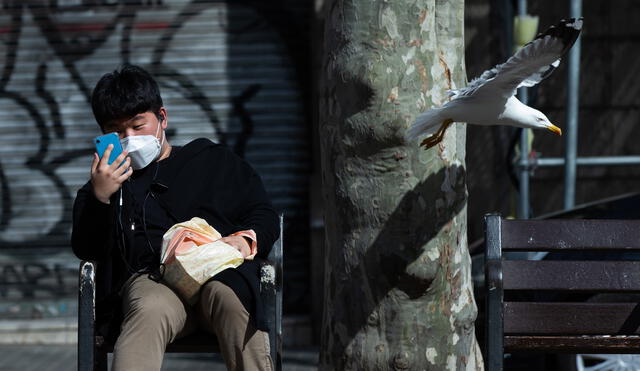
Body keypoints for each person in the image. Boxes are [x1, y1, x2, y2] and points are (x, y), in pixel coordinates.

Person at [71, 64, 279, 371]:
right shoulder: (107, 184)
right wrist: (101, 197)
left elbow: (263, 211)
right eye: (116, 131)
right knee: (149, 309)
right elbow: (88, 249)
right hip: (153, 283)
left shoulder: (212, 162)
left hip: (217, 276)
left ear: (162, 119)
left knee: (234, 302)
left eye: (138, 126)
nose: (129, 137)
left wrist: (244, 239)